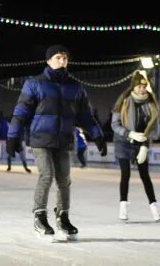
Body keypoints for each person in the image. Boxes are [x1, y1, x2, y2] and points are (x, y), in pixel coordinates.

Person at [7, 45, 106, 241]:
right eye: (58, 57)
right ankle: (40, 217)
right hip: (41, 138)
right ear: (49, 60)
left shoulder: (75, 87)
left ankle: (63, 217)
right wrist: (13, 136)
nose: (62, 61)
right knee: (47, 175)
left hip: (64, 139)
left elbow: (85, 116)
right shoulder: (34, 84)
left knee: (64, 179)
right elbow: (20, 113)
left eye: (65, 58)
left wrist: (98, 135)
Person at [111, 70, 160, 222]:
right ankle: (123, 208)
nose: (142, 89)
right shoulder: (124, 101)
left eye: (144, 86)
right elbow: (114, 125)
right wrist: (130, 134)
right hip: (123, 141)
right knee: (125, 174)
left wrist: (145, 146)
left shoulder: (151, 104)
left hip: (141, 141)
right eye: (139, 86)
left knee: (145, 176)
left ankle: (154, 209)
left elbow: (152, 127)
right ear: (133, 87)